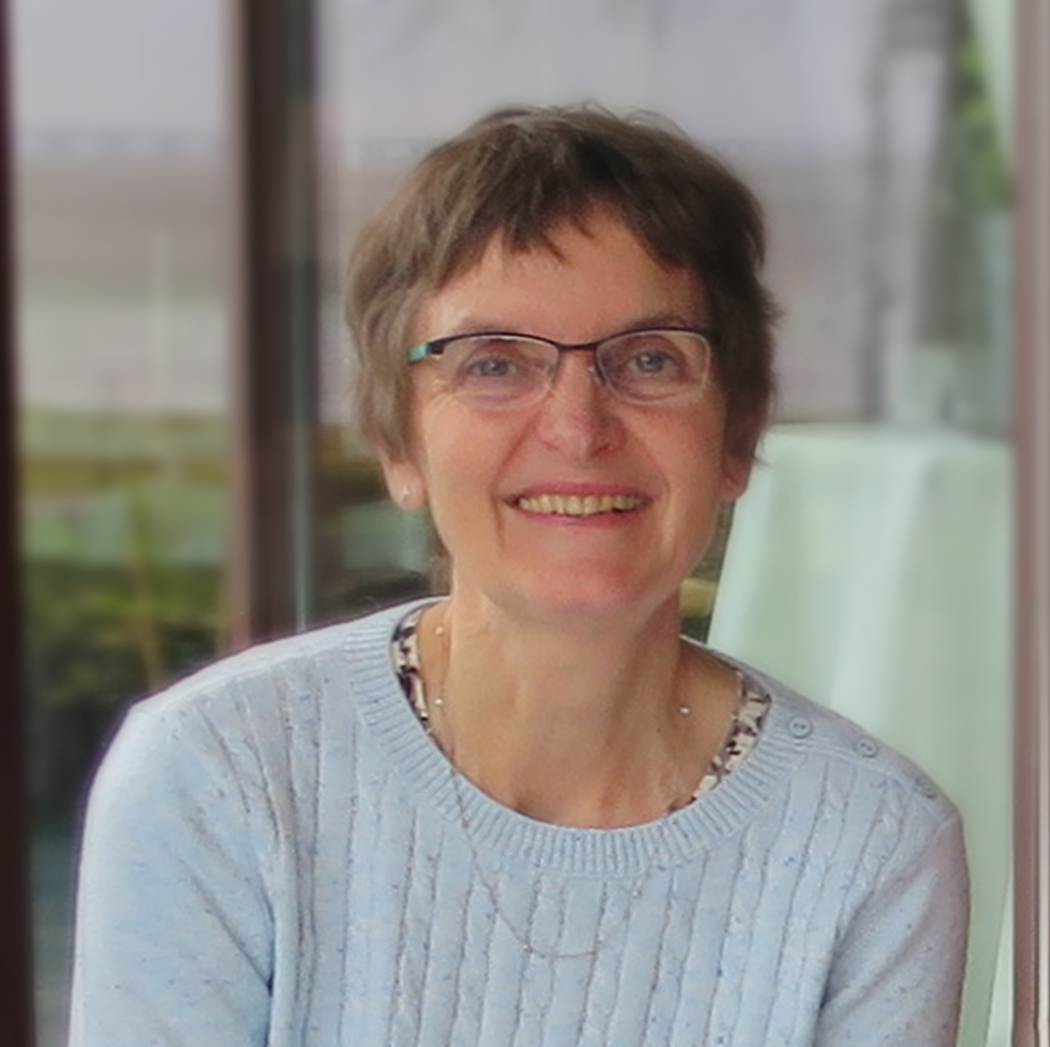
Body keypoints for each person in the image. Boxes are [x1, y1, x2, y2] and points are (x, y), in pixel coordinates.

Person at [69, 106, 968, 1047]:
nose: (579, 427)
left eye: (650, 358)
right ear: (398, 444)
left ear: (736, 437)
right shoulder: (219, 774)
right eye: (494, 363)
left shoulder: (872, 843)